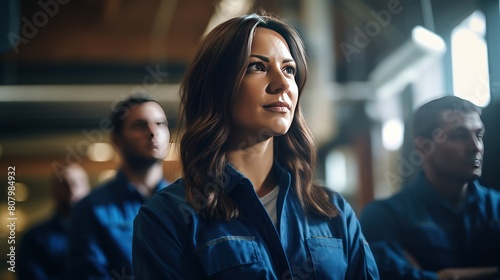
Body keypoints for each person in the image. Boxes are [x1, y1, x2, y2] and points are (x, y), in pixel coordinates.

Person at [133, 13, 379, 279]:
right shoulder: (168, 218)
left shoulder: (334, 211)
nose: (283, 83)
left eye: (289, 70)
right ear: (217, 86)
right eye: (258, 67)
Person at [360, 96, 500, 279]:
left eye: (479, 135)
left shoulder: (496, 208)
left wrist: (448, 276)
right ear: (424, 147)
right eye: (459, 135)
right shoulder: (384, 217)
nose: (476, 147)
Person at [68, 94, 170, 279]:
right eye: (140, 125)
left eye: (161, 124)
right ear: (117, 141)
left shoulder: (187, 202)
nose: (153, 132)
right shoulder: (90, 209)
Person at [18, 163, 91, 280]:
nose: (72, 190)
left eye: (76, 184)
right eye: (64, 185)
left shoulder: (102, 234)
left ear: (87, 189)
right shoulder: (34, 237)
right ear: (54, 190)